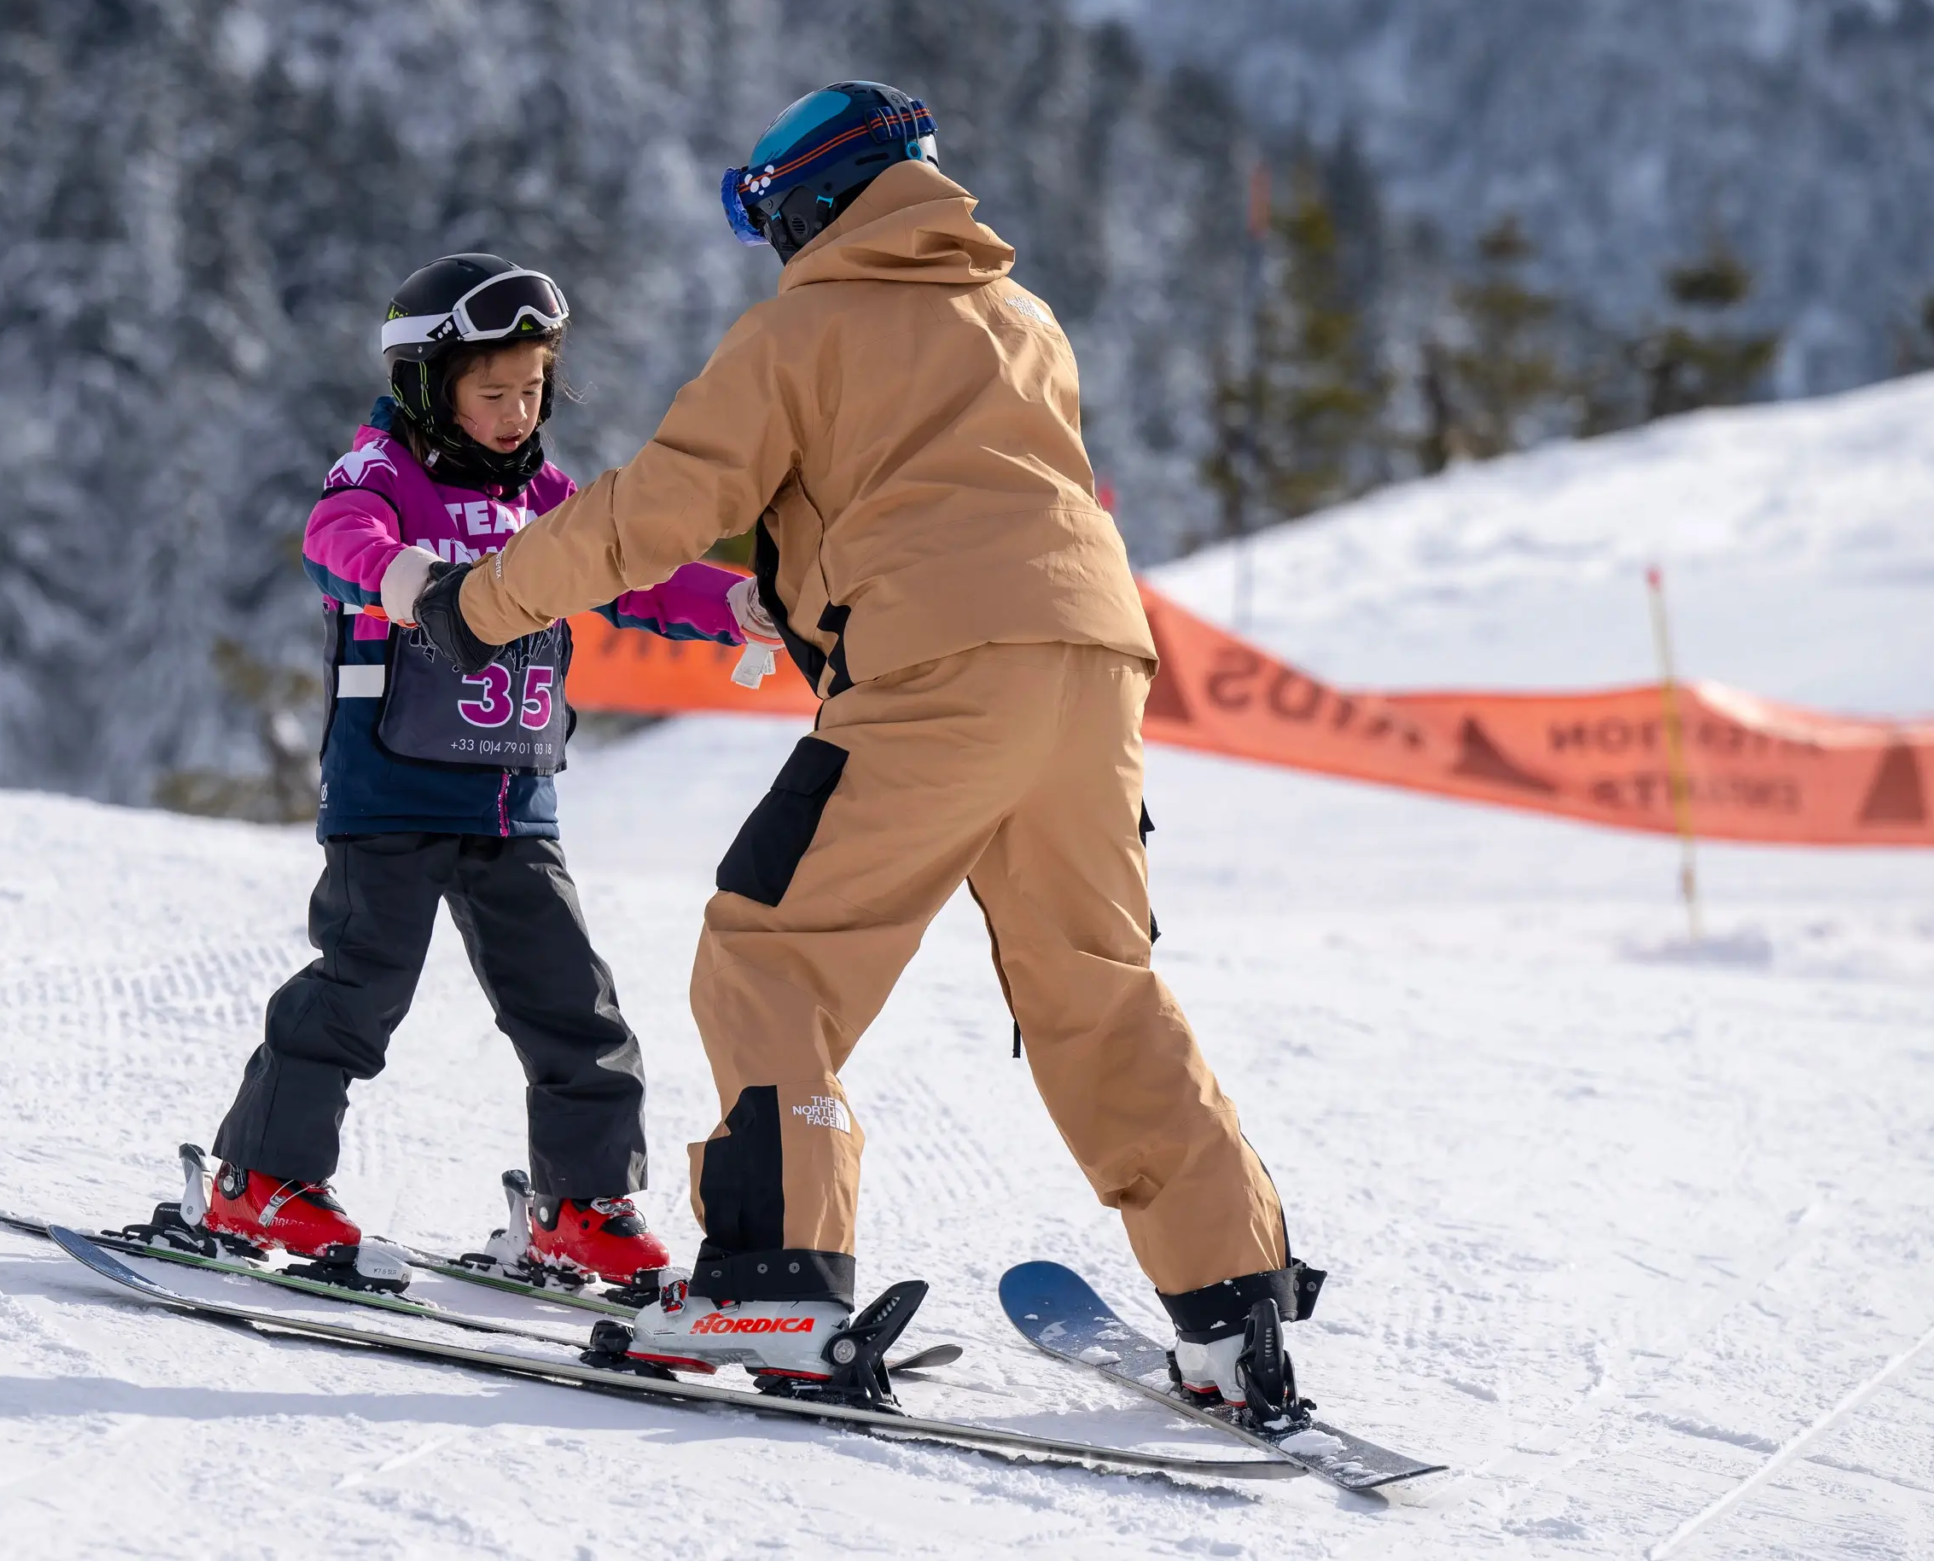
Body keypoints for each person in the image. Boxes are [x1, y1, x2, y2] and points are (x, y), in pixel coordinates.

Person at [413, 85, 1323, 1417]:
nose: (771, 241)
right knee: (1095, 982)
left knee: (770, 947)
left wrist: (477, 604)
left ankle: (777, 1277)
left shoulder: (804, 329)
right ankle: (1232, 1309)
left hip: (935, 670)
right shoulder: (1021, 318)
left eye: (770, 215)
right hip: (1096, 668)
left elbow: (657, 509)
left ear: (813, 206)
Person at [186, 254, 778, 1295]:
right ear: (428, 386)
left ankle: (580, 1206)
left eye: (532, 390)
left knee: (573, 1010)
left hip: (516, 800)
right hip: (391, 793)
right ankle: (262, 1177)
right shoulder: (384, 475)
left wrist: (730, 603)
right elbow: (335, 537)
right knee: (357, 991)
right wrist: (409, 578)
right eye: (491, 392)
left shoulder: (545, 496)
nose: (515, 414)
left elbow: (631, 565)